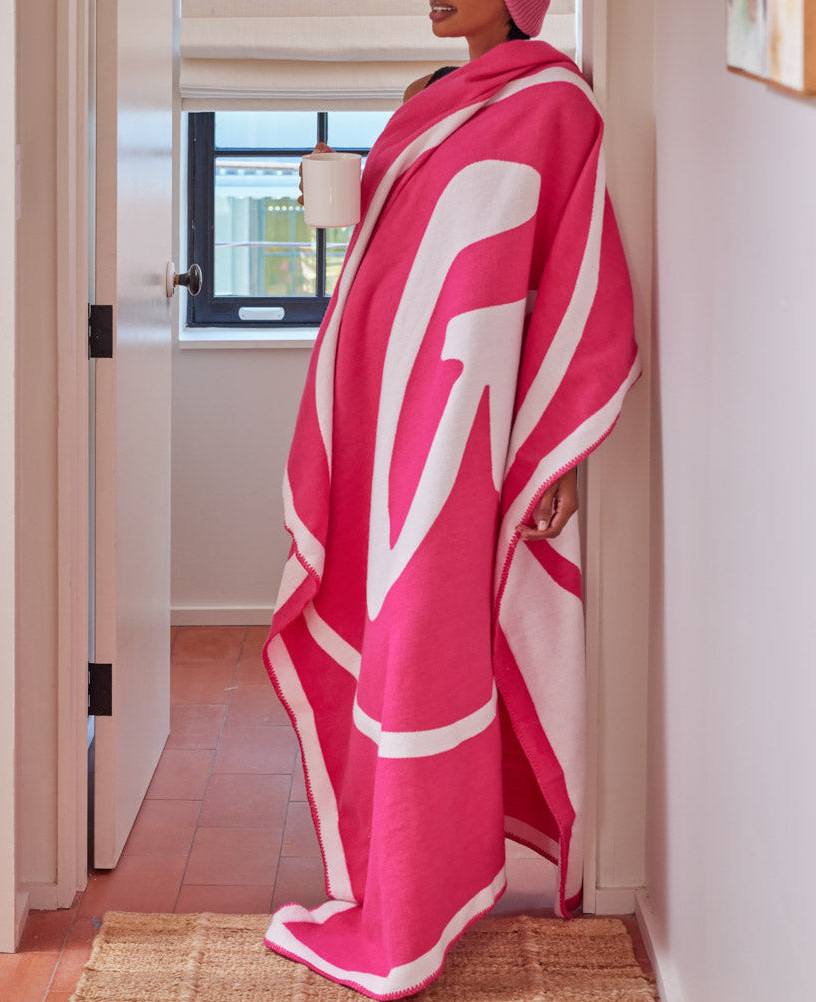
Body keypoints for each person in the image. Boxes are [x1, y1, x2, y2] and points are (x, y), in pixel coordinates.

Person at [265, 2, 640, 998]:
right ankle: (386, 871)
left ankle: (422, 882)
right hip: (383, 407)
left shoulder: (559, 105)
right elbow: (393, 253)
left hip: (461, 428)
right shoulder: (419, 98)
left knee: (426, 632)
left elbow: (571, 274)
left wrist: (550, 456)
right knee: (378, 619)